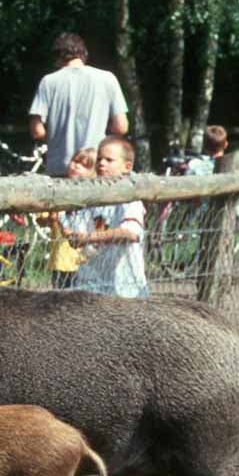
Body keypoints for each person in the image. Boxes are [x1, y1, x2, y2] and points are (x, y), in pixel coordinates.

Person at [28, 33, 129, 177]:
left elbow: (36, 130)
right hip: (94, 167)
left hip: (59, 168)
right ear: (84, 54)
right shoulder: (108, 78)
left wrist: (57, 138)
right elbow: (121, 127)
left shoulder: (48, 82)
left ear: (57, 58)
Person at [66, 136, 148, 298]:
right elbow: (79, 234)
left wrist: (90, 238)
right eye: (99, 159)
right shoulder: (90, 198)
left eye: (109, 160)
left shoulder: (130, 199)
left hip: (125, 289)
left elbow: (130, 232)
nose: (101, 163)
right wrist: (71, 234)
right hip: (91, 285)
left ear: (127, 166)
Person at [40, 147, 96, 290]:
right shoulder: (57, 190)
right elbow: (41, 221)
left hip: (83, 260)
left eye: (85, 165)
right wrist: (52, 220)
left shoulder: (93, 197)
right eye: (75, 161)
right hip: (60, 259)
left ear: (93, 173)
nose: (77, 166)